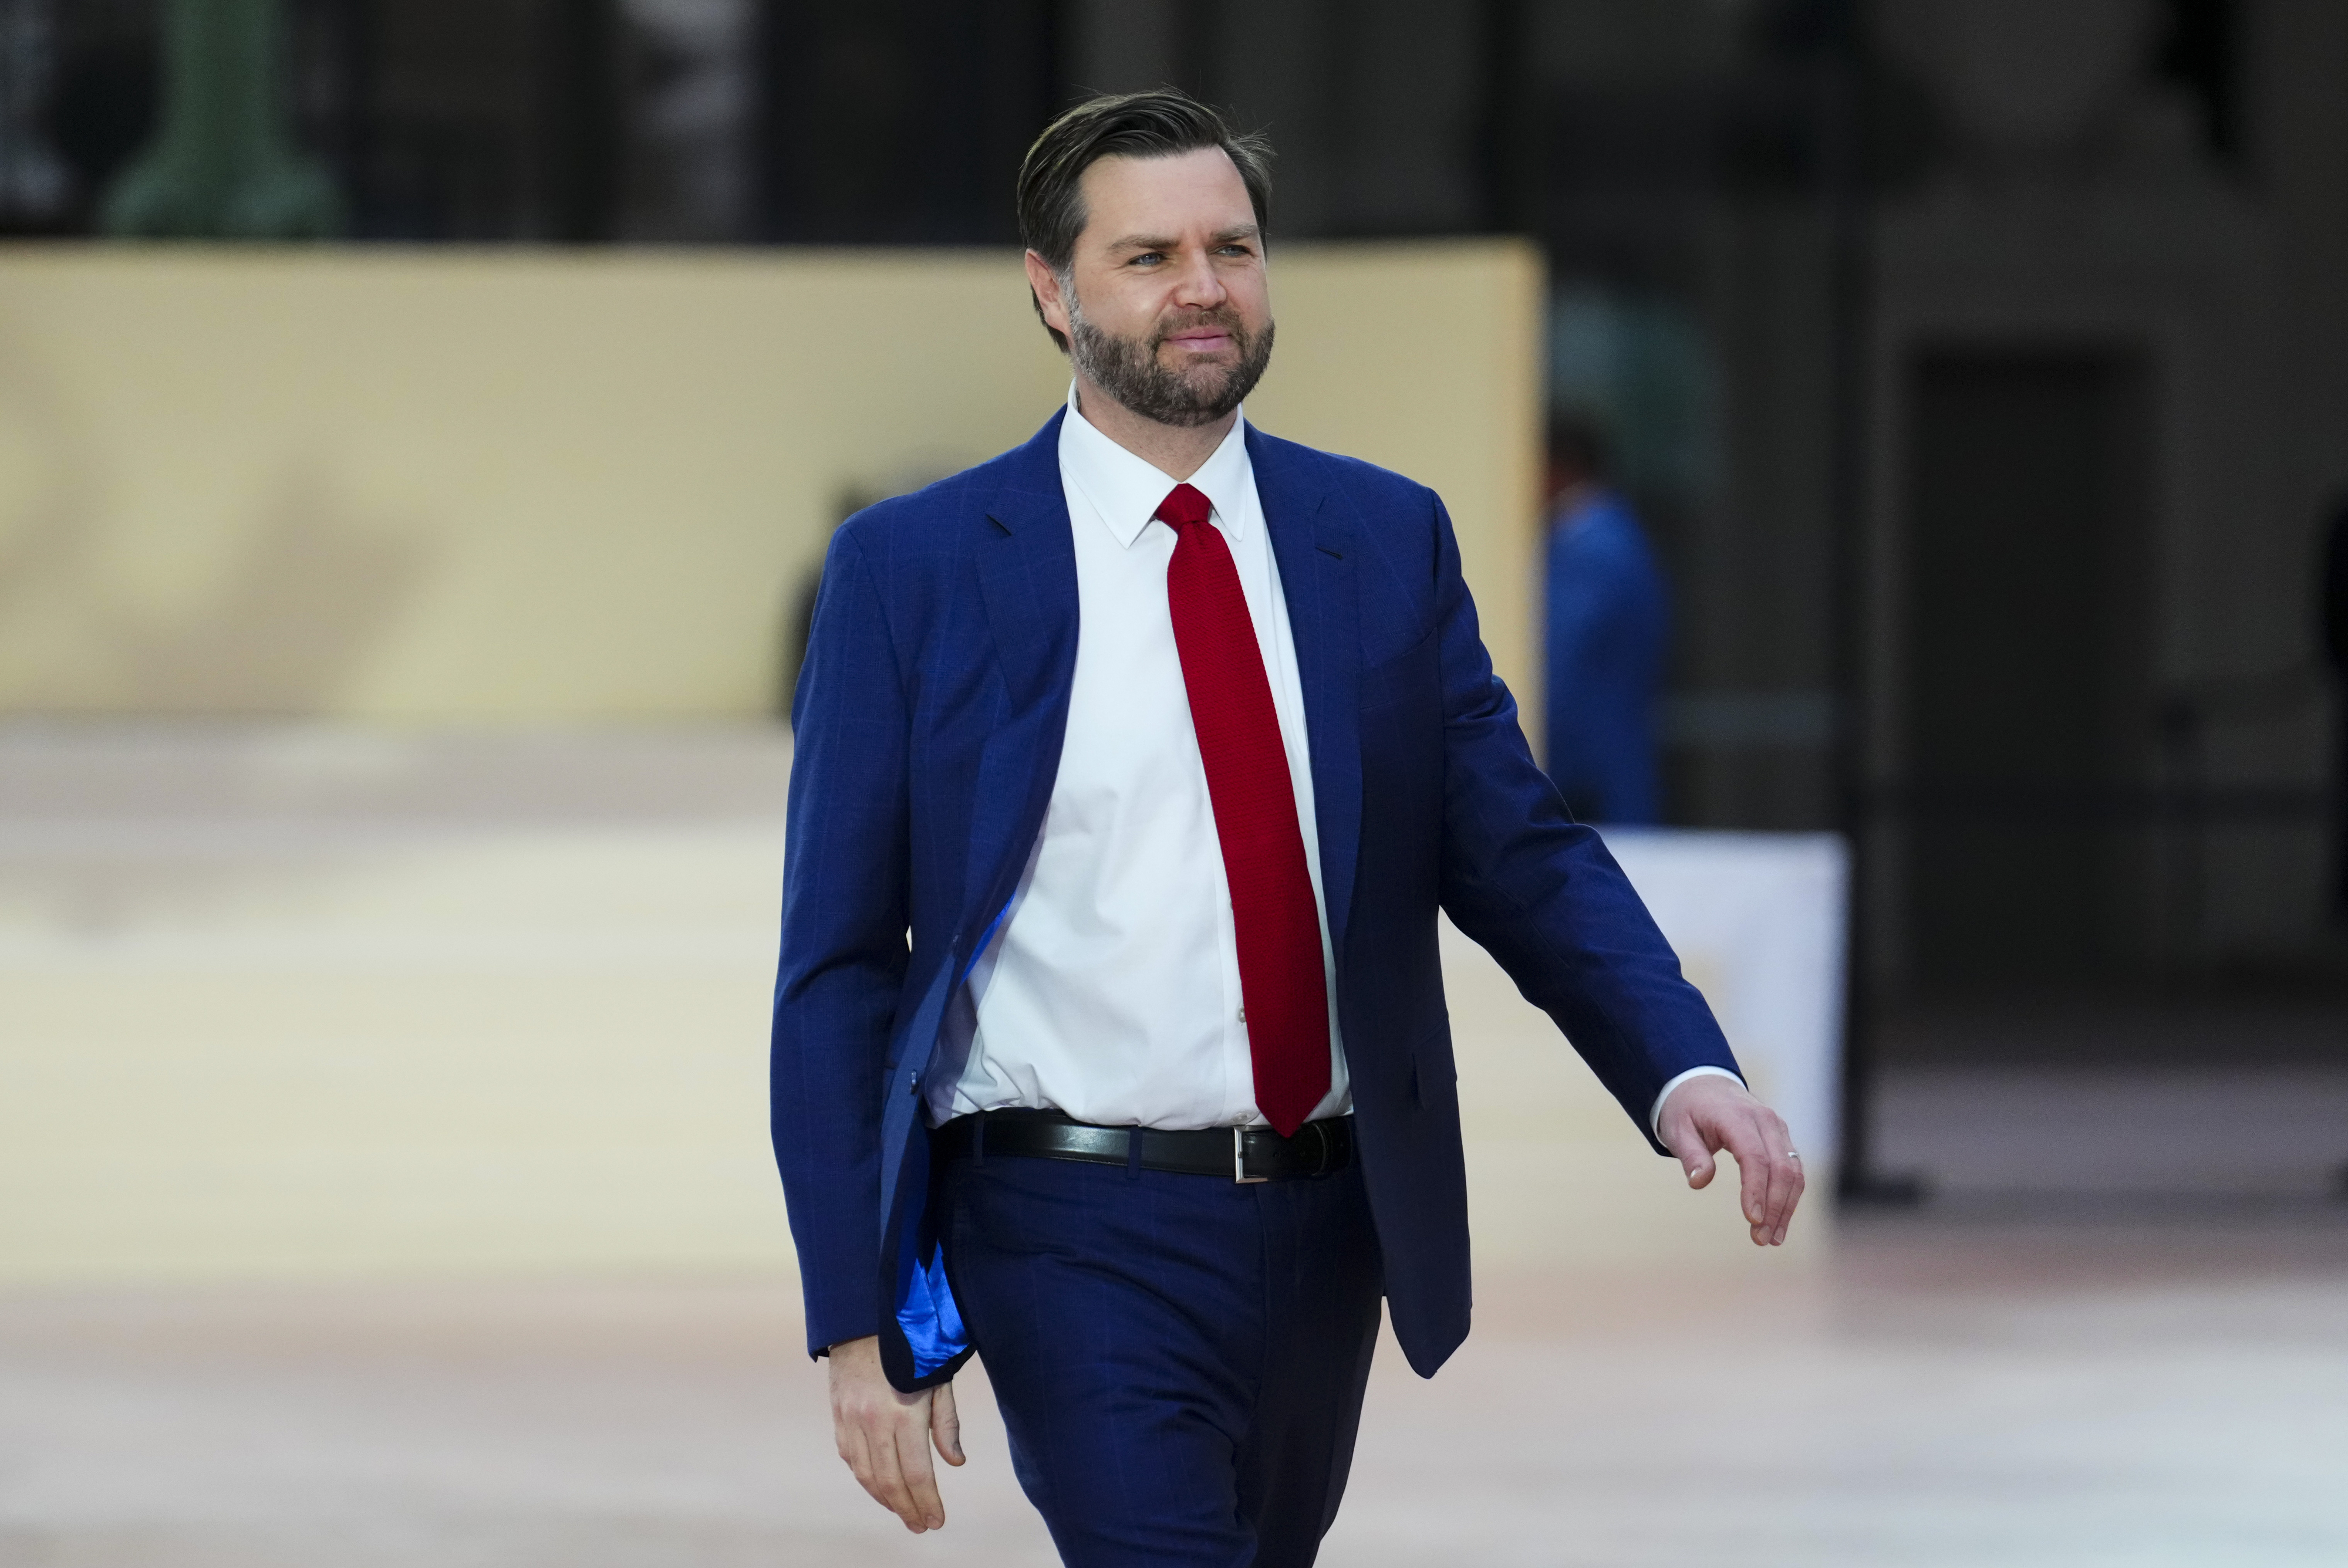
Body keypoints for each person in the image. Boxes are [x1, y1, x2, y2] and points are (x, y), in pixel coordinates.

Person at [772, 90, 1804, 1568]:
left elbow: (1514, 846)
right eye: (1148, 255)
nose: (1202, 285)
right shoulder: (915, 570)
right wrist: (853, 1312)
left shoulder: (1380, 540)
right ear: (1052, 290)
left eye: (1232, 246)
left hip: (1329, 1221)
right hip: (1062, 1215)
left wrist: (1680, 1060)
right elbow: (838, 966)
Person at [1541, 414, 1669, 825]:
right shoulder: (1614, 535)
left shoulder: (1590, 547)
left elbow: (1556, 666)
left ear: (1559, 467)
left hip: (1587, 775)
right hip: (1607, 763)